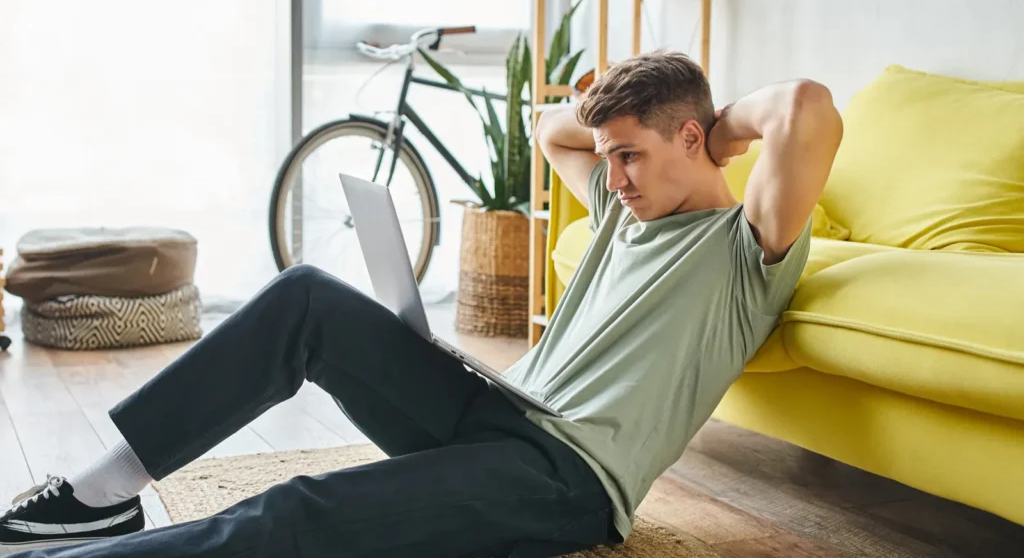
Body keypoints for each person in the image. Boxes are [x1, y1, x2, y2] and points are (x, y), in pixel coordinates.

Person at [0, 49, 842, 558]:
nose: (611, 178)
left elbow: (805, 107)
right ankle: (94, 501)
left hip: (568, 477)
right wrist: (641, 125)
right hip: (501, 412)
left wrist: (708, 118)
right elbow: (556, 129)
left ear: (695, 141)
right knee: (307, 300)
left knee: (302, 510)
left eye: (630, 156)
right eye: (609, 157)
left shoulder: (745, 247)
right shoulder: (632, 208)